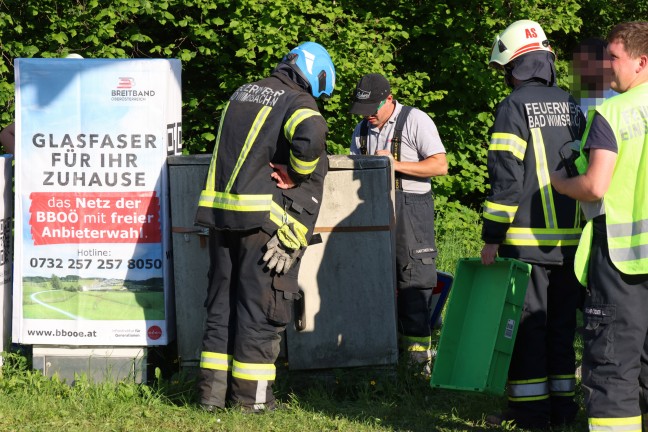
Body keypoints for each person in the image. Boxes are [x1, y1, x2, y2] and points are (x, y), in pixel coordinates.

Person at [193, 41, 335, 412]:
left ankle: (211, 398)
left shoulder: (244, 92)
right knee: (260, 309)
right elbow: (313, 133)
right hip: (260, 222)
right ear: (314, 75)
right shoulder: (296, 101)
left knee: (221, 308)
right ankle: (251, 402)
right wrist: (297, 171)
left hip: (221, 218)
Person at [480, 20, 586, 429]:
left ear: (515, 67)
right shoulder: (571, 102)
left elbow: (505, 179)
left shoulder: (513, 107)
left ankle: (529, 414)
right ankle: (562, 409)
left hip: (527, 243)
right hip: (572, 244)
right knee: (561, 329)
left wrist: (492, 236)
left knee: (527, 330)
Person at [550, 21, 648, 432]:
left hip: (621, 255)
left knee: (613, 362)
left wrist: (556, 181)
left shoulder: (613, 112)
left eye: (614, 58)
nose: (608, 68)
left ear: (641, 62)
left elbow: (594, 186)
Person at [349, 73, 448, 377]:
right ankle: (384, 361)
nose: (368, 116)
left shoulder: (416, 120)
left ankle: (418, 369)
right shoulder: (361, 131)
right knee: (375, 286)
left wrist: (394, 165)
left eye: (372, 109)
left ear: (389, 99)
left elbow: (440, 165)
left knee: (413, 287)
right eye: (362, 110)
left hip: (412, 215)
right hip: (373, 215)